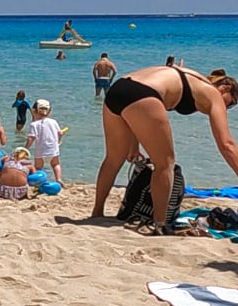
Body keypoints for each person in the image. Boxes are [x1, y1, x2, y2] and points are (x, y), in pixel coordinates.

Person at [93, 66, 238, 235]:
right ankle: (160, 223)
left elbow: (137, 98)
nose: (228, 108)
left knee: (113, 159)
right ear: (225, 88)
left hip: (119, 89)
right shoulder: (213, 94)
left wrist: (134, 146)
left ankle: (97, 212)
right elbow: (227, 144)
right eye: (232, 102)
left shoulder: (195, 78)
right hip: (142, 94)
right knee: (165, 163)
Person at [25, 99, 65, 186]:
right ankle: (58, 179)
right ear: (49, 112)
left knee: (38, 167)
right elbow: (59, 134)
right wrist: (59, 140)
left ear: (34, 111)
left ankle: (39, 181)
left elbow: (31, 138)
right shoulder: (53, 122)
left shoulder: (34, 124)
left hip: (40, 151)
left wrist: (25, 148)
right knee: (56, 164)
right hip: (53, 149)